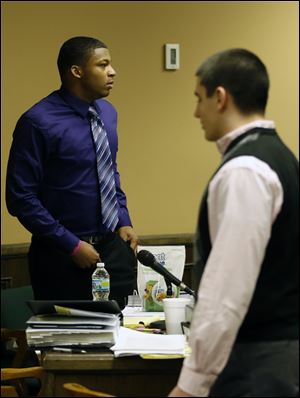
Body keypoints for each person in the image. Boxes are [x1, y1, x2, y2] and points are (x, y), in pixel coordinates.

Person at [169, 49, 299, 397]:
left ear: (221, 97)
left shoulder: (245, 170)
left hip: (257, 363)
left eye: (199, 98)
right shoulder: (281, 157)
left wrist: (190, 384)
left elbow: (228, 289)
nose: (196, 111)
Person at [6, 36, 138, 310]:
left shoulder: (108, 113)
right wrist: (72, 245)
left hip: (113, 249)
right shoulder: (38, 122)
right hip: (61, 255)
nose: (112, 72)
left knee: (125, 338)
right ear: (77, 71)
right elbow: (20, 198)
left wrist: (123, 219)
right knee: (68, 347)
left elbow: (108, 170)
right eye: (103, 65)